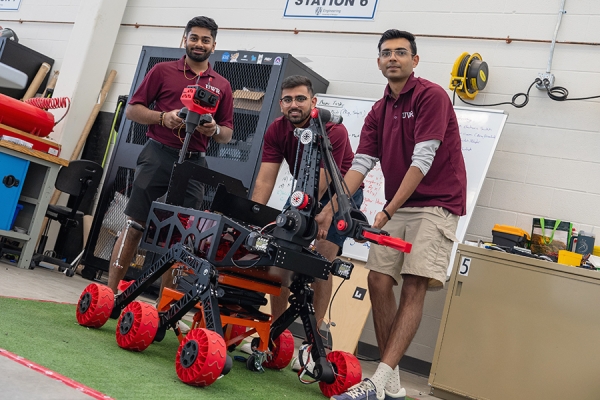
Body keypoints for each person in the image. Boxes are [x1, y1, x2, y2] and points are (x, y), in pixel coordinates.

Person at [322, 30, 466, 400]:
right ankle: (391, 382)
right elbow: (362, 163)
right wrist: (331, 207)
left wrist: (387, 210)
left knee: (415, 285)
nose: (393, 58)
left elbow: (423, 160)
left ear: (414, 61)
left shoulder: (431, 96)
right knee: (378, 281)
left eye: (401, 53)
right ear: (379, 62)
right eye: (386, 53)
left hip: (437, 204)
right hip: (399, 206)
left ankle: (376, 380)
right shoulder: (378, 109)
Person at [106, 16, 234, 333]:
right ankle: (109, 296)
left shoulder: (222, 85)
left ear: (214, 45)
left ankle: (167, 312)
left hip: (195, 163)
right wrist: (164, 117)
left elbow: (228, 134)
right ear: (184, 40)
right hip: (157, 153)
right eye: (194, 38)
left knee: (183, 238)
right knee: (135, 222)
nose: (199, 43)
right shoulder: (162, 71)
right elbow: (133, 109)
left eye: (206, 40)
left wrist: (213, 127)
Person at [248, 75, 363, 368]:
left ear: (313, 102)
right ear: (281, 104)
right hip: (303, 192)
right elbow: (265, 178)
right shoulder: (277, 130)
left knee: (321, 261)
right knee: (280, 258)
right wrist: (253, 216)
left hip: (340, 193)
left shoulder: (332, 130)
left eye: (300, 98)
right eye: (287, 99)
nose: (293, 104)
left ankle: (313, 346)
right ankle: (273, 333)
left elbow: (324, 185)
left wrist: (320, 216)